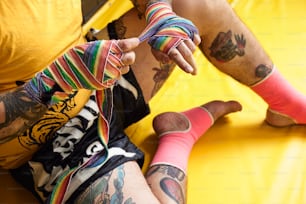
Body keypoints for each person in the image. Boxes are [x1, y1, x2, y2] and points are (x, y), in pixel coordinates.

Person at [0, 0, 305, 203]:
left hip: (100, 66)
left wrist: (159, 12)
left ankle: (287, 105)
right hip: (48, 141)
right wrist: (56, 80)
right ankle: (178, 138)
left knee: (191, 1)